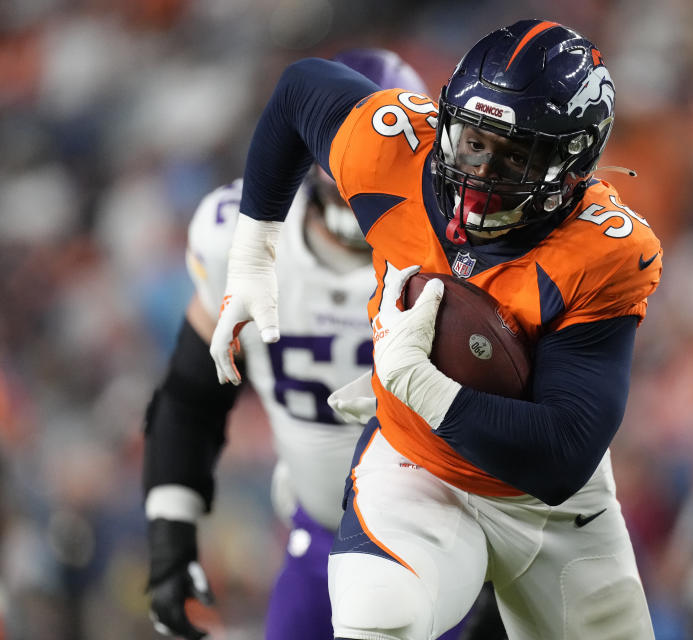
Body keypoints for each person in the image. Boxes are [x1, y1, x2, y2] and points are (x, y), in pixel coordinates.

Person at [211, 19, 662, 640]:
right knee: (379, 616)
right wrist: (253, 255)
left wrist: (421, 384)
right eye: (473, 141)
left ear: (571, 163)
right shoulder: (393, 148)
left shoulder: (603, 250)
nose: (479, 173)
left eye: (514, 155)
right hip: (416, 463)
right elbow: (298, 89)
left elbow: (563, 455)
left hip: (545, 507)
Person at [142, 49, 493, 640]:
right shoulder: (236, 233)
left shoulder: (466, 258)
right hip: (319, 537)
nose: (368, 192)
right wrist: (169, 529)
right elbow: (191, 393)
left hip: (443, 545)